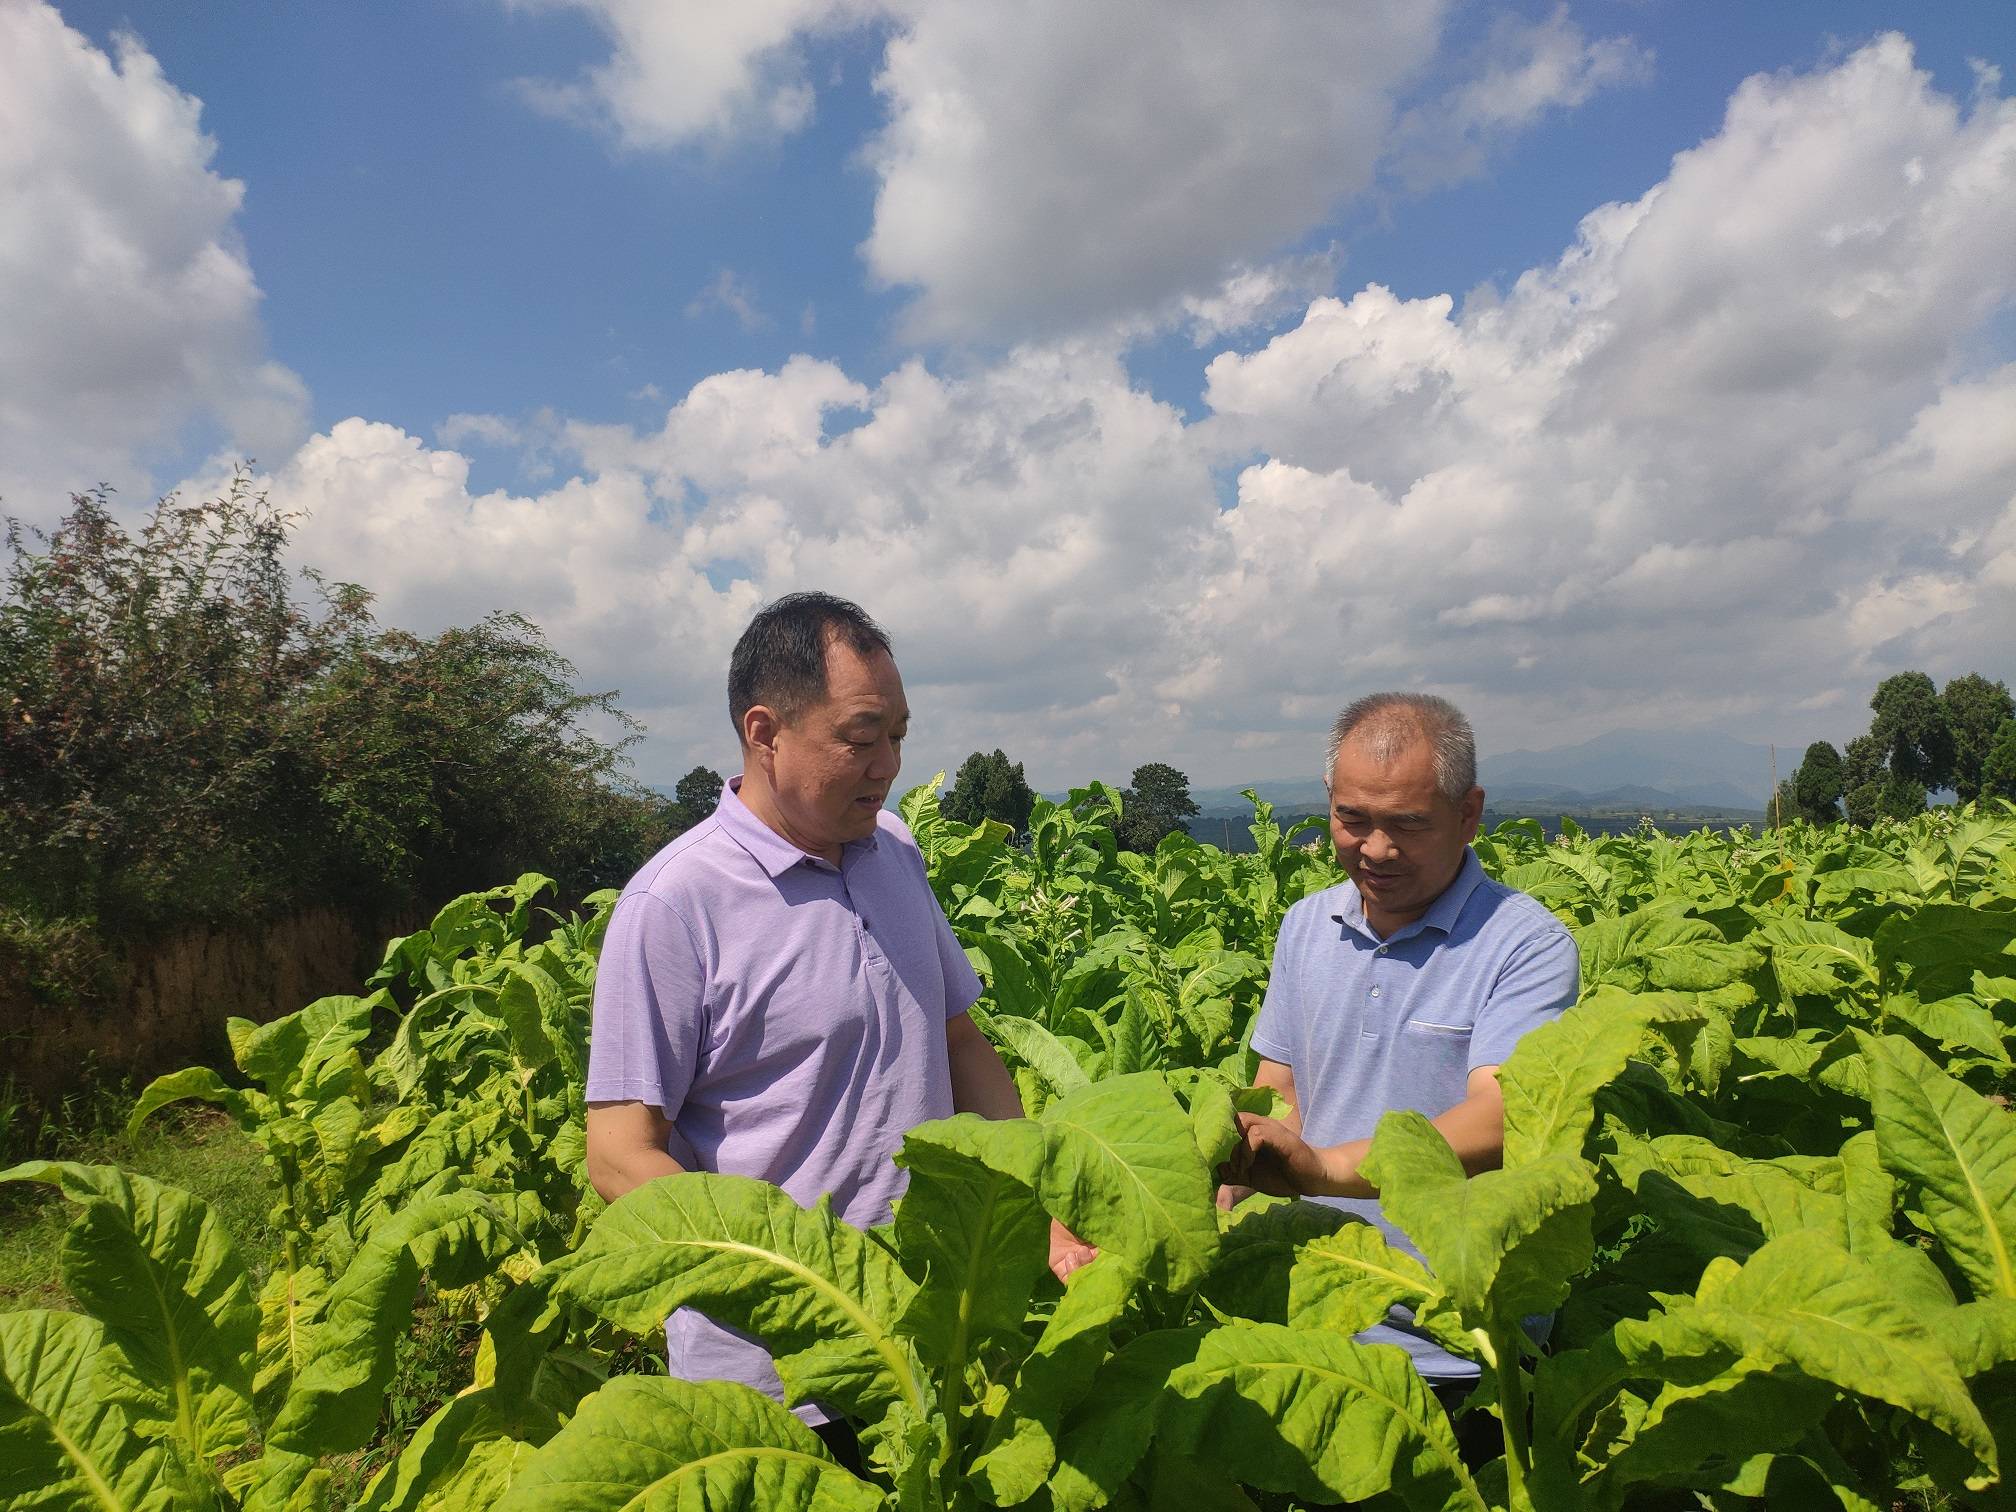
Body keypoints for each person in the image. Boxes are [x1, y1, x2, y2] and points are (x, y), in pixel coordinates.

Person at [584, 591, 1091, 1451]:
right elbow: (619, 1153)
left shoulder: (894, 852)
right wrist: (790, 1273)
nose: (887, 763)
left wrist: (1041, 1210)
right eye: (861, 739)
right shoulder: (674, 904)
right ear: (764, 732)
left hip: (934, 1337)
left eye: (899, 735)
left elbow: (959, 1044)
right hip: (776, 1381)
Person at [1222, 692, 1579, 1402]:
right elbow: (1283, 1090)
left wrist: (1325, 1170)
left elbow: (1501, 1117)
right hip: (1318, 1325)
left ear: (1468, 813)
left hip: (1461, 1344)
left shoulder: (1525, 944)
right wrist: (1224, 1193)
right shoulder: (1305, 926)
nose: (1376, 850)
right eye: (1352, 820)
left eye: (1407, 826)